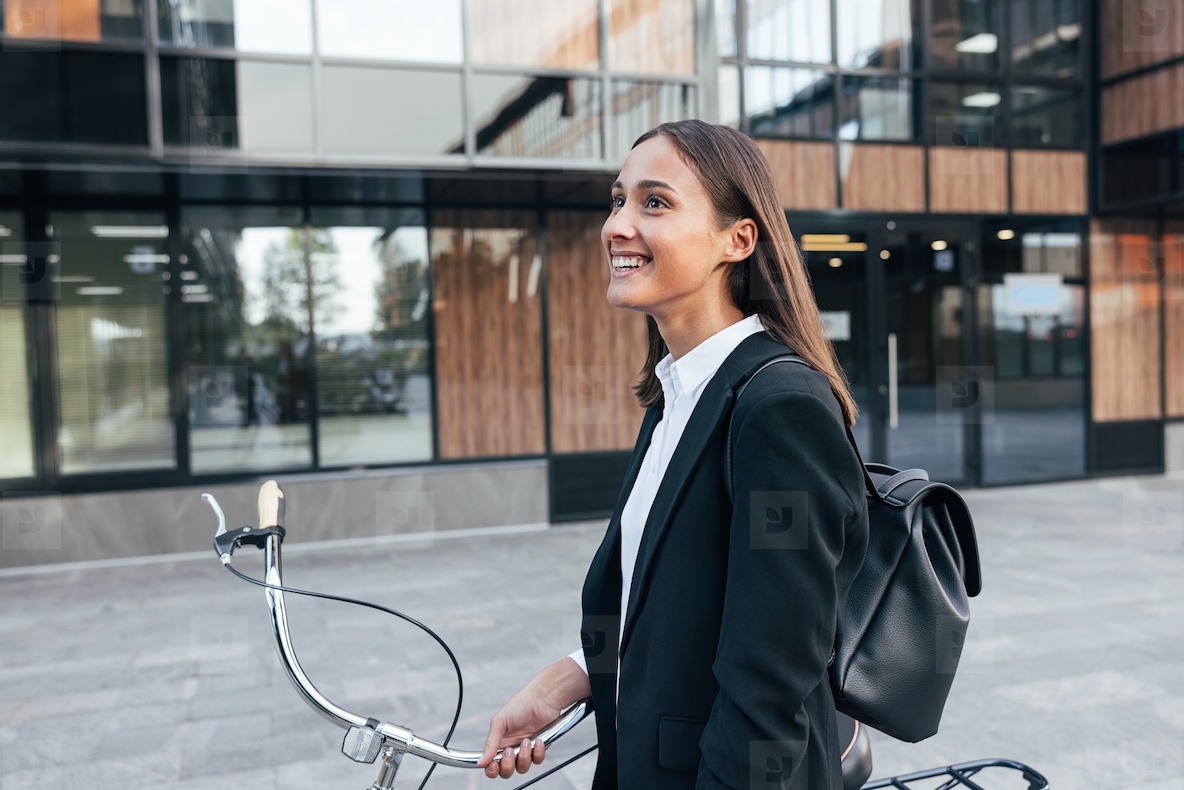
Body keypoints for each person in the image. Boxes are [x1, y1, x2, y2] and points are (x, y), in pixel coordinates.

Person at [477, 120, 869, 789]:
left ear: (737, 239)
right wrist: (571, 677)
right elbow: (676, 605)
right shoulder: (676, 396)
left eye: (654, 202)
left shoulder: (781, 407)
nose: (618, 225)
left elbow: (769, 681)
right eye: (618, 200)